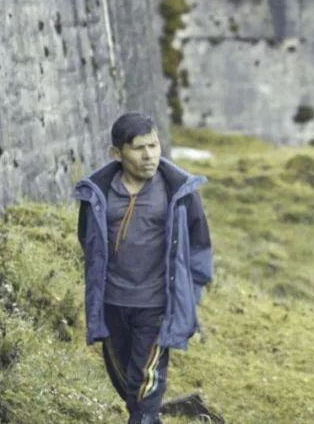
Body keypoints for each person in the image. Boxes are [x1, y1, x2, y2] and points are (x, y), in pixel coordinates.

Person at [73, 113, 214, 424]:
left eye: (154, 145)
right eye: (139, 148)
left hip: (156, 305)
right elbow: (88, 240)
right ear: (117, 153)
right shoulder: (97, 194)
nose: (149, 155)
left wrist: (190, 295)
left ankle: (144, 417)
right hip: (112, 303)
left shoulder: (178, 193)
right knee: (125, 380)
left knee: (145, 381)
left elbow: (200, 246)